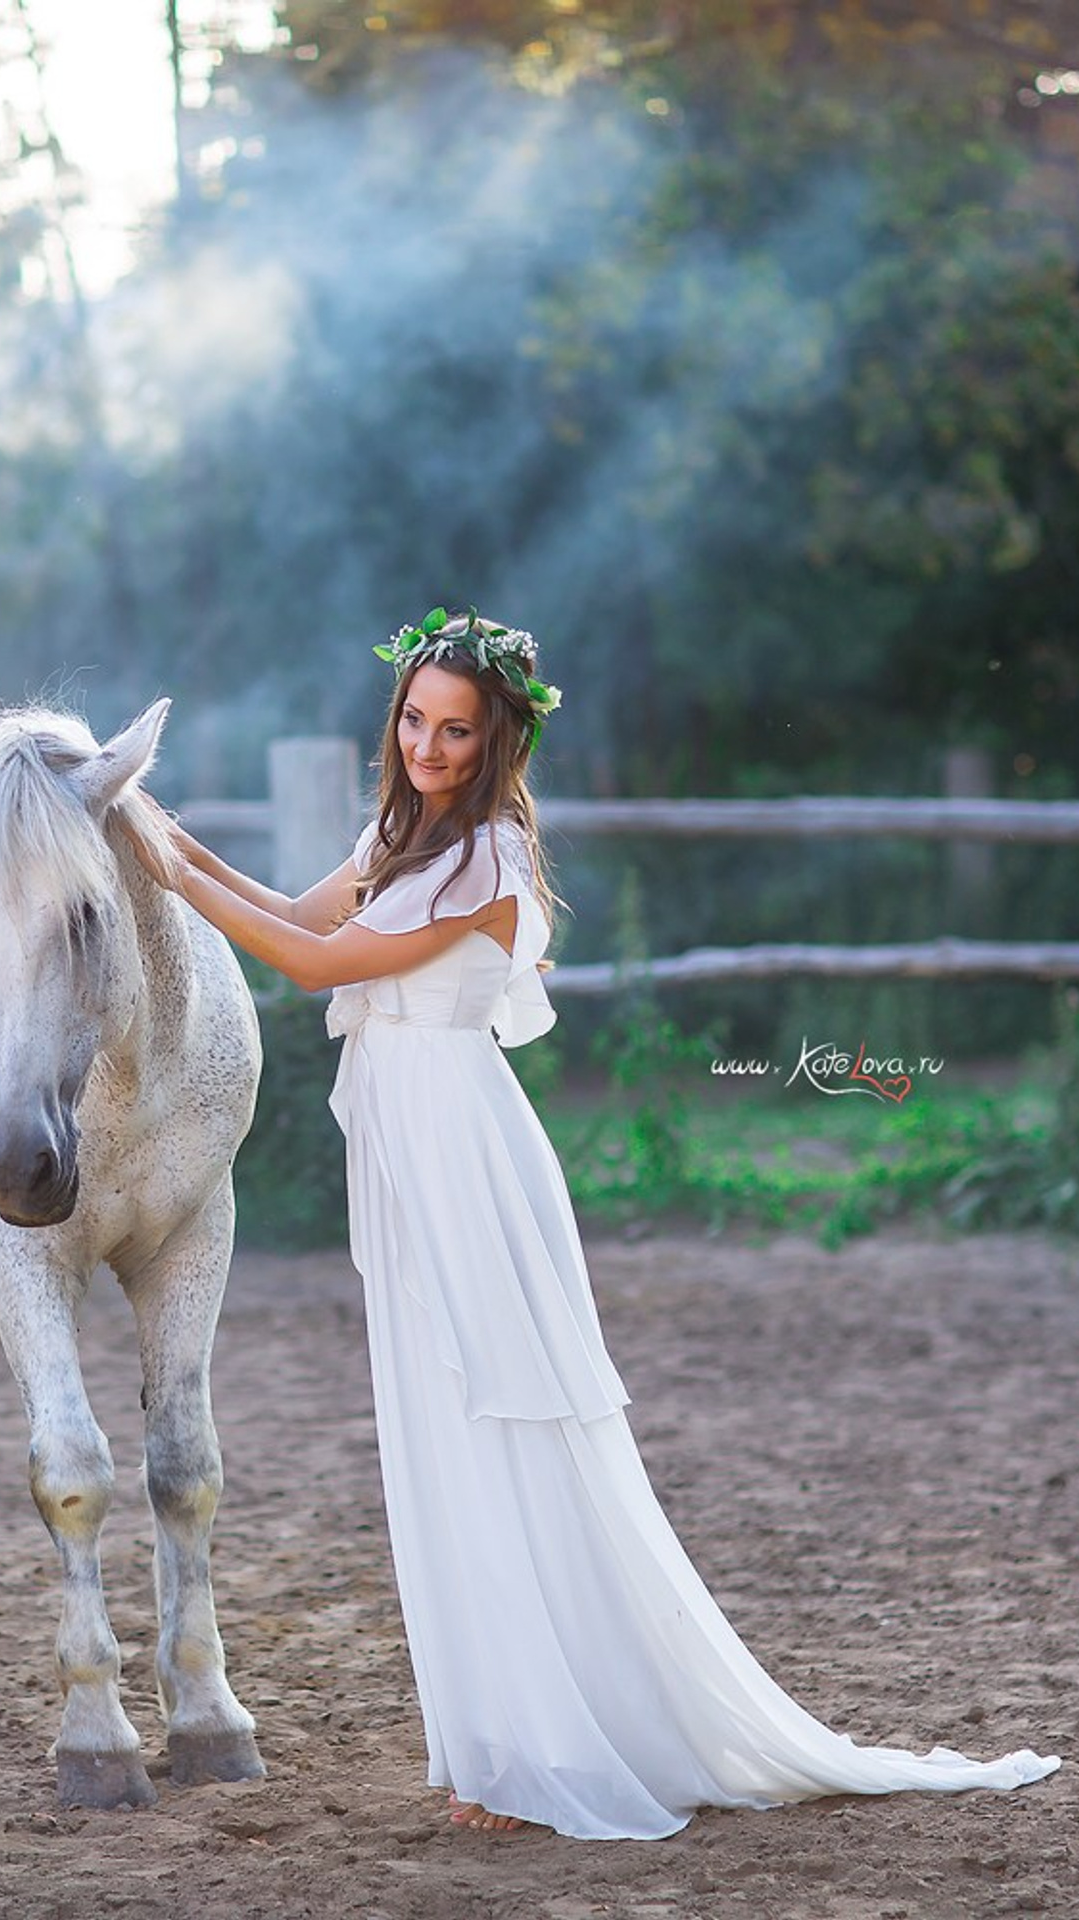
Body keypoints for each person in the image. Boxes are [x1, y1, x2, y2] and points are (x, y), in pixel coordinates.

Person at [130, 605, 1061, 1840]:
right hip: (408, 1148)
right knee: (435, 1428)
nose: (429, 746)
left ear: (500, 736)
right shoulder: (406, 838)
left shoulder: (482, 859)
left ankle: (545, 1750)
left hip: (462, 1145)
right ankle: (494, 1745)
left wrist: (164, 868)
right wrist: (178, 846)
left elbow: (315, 972)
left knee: (494, 1424)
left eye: (457, 730)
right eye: (415, 719)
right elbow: (301, 919)